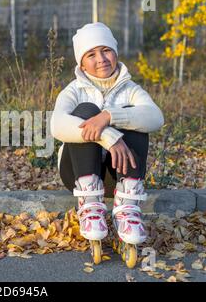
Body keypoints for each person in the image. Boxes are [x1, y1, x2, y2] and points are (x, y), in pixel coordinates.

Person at [50, 22, 164, 266]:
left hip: (118, 178)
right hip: (77, 175)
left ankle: (128, 208)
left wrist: (111, 116)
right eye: (91, 54)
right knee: (86, 110)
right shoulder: (73, 91)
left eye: (106, 50)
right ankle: (90, 205)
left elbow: (156, 117)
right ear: (81, 63)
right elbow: (57, 125)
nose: (101, 59)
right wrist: (109, 136)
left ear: (116, 52)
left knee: (133, 113)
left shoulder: (131, 90)